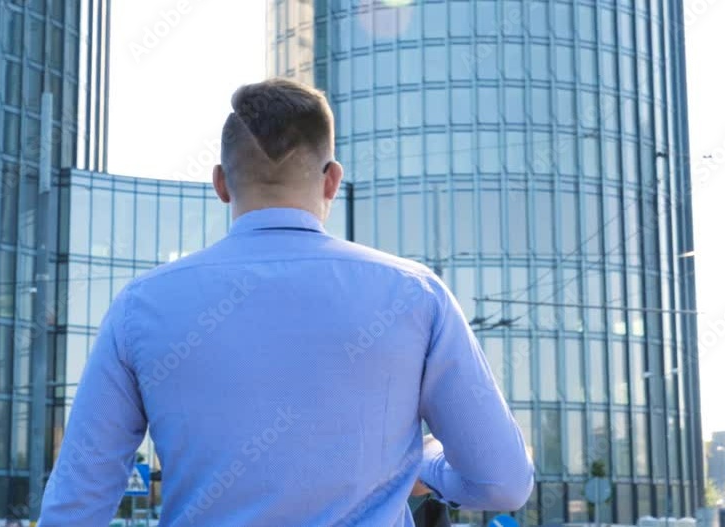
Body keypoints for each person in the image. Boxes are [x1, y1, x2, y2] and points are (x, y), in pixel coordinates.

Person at [38, 78, 534, 526]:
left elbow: (75, 507)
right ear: (332, 180)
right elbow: (504, 483)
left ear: (220, 183)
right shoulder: (416, 295)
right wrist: (422, 463)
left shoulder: (140, 307)